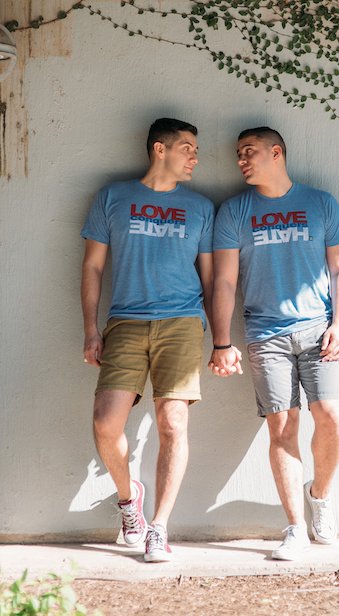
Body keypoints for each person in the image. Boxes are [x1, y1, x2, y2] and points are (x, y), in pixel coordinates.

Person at [209, 127, 339, 560]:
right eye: (238, 154)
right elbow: (225, 281)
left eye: (249, 152)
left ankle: (320, 495)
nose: (242, 160)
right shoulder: (234, 211)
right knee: (282, 428)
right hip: (265, 334)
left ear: (277, 152)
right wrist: (220, 340)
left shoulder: (321, 203)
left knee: (330, 417)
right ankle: (295, 527)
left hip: (318, 329)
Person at [81, 118, 214, 562]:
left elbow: (211, 278)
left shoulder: (200, 207)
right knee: (105, 422)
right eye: (187, 148)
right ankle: (129, 498)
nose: (195, 157)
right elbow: (94, 267)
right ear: (160, 149)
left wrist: (221, 339)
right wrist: (90, 328)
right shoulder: (113, 197)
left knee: (173, 423)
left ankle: (159, 527)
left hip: (181, 321)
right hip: (126, 322)